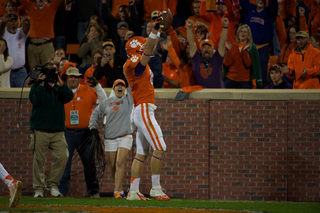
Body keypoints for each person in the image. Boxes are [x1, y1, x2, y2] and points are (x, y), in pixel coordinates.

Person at [123, 15, 170, 201]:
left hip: (141, 109)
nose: (146, 47)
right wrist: (154, 31)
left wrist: (157, 30)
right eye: (142, 46)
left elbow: (151, 46)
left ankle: (133, 192)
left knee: (141, 153)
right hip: (143, 109)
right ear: (137, 49)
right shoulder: (133, 63)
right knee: (160, 147)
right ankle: (156, 188)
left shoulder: (135, 61)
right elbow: (149, 49)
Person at [58, 66, 107, 197]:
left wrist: (97, 86)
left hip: (85, 132)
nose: (73, 79)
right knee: (64, 164)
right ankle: (61, 192)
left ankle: (94, 191)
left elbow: (104, 102)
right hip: (67, 132)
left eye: (76, 76)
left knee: (89, 163)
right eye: (70, 76)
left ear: (79, 78)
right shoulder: (60, 92)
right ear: (66, 78)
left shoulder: (89, 91)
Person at [29, 63, 73, 198]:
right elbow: (35, 100)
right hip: (40, 129)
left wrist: (62, 85)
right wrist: (41, 84)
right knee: (39, 160)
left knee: (63, 156)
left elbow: (69, 97)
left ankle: (53, 184)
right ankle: (39, 189)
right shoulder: (37, 86)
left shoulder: (59, 87)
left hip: (58, 130)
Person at [89, 79, 134, 199]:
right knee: (113, 165)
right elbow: (95, 113)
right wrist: (92, 127)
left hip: (125, 136)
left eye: (122, 86)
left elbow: (132, 84)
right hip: (110, 138)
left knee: (120, 162)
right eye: (117, 86)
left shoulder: (128, 99)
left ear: (125, 89)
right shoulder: (106, 102)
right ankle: (120, 190)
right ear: (113, 89)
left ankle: (116, 191)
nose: (120, 87)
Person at [239, 0, 278, 87]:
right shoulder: (249, 8)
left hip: (262, 49)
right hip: (247, 47)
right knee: (245, 74)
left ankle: (262, 96)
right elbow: (242, 1)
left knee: (261, 75)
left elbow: (274, 3)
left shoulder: (269, 11)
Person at [19, 0, 61, 71]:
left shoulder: (51, 7)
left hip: (46, 46)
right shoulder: (31, 7)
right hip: (32, 47)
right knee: (34, 72)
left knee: (50, 70)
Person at [187, 17, 228, 88]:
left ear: (213, 49)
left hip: (217, 94)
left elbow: (222, 41)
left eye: (209, 47)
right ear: (201, 49)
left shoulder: (217, 58)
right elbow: (191, 42)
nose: (206, 49)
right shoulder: (196, 57)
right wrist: (189, 28)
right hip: (200, 95)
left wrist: (225, 27)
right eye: (204, 47)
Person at [223, 24, 262, 89]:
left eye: (245, 31)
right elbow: (227, 64)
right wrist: (228, 51)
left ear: (248, 35)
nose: (242, 33)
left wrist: (244, 52)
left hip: (245, 80)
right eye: (241, 31)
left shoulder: (252, 47)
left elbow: (249, 64)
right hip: (231, 79)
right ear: (238, 34)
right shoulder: (232, 46)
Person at [0, 14, 30, 87]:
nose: (14, 23)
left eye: (15, 21)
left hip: (20, 72)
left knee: (23, 95)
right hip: (6, 72)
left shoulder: (21, 32)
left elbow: (26, 29)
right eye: (10, 21)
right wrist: (2, 23)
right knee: (6, 95)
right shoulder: (3, 33)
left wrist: (27, 22)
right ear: (6, 23)